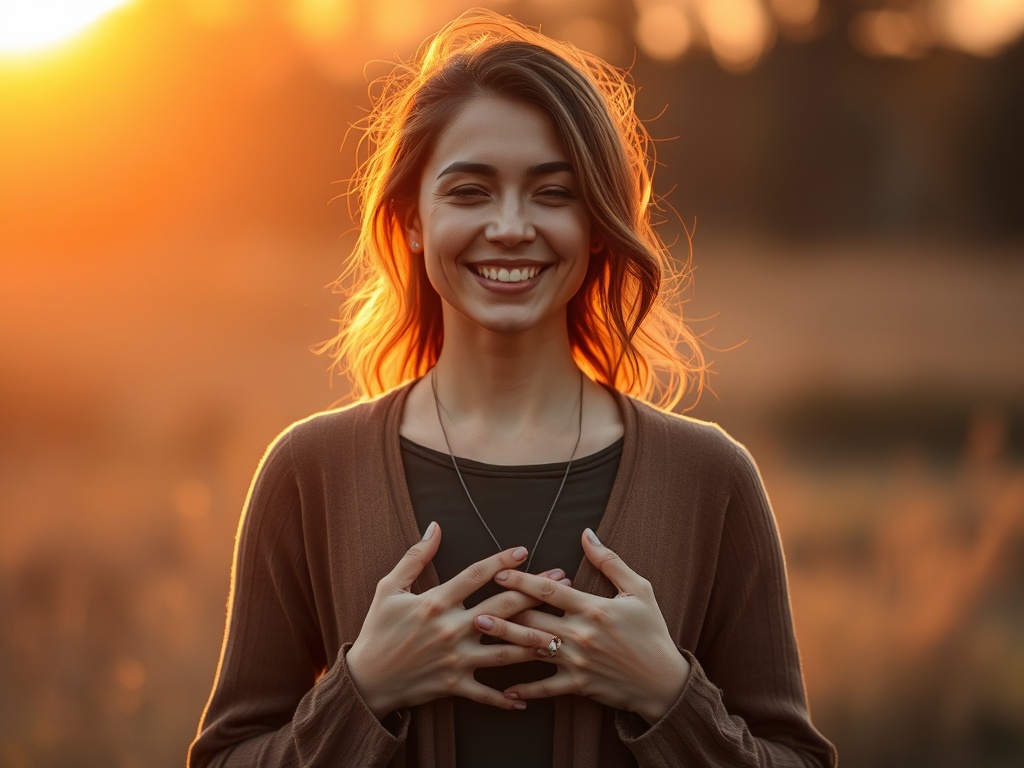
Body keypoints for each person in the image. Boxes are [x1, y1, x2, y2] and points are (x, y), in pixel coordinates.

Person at [188, 9, 836, 767]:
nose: (510, 226)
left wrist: (669, 697)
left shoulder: (709, 478)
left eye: (552, 193)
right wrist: (363, 688)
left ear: (598, 223)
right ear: (412, 220)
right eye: (469, 191)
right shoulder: (309, 472)